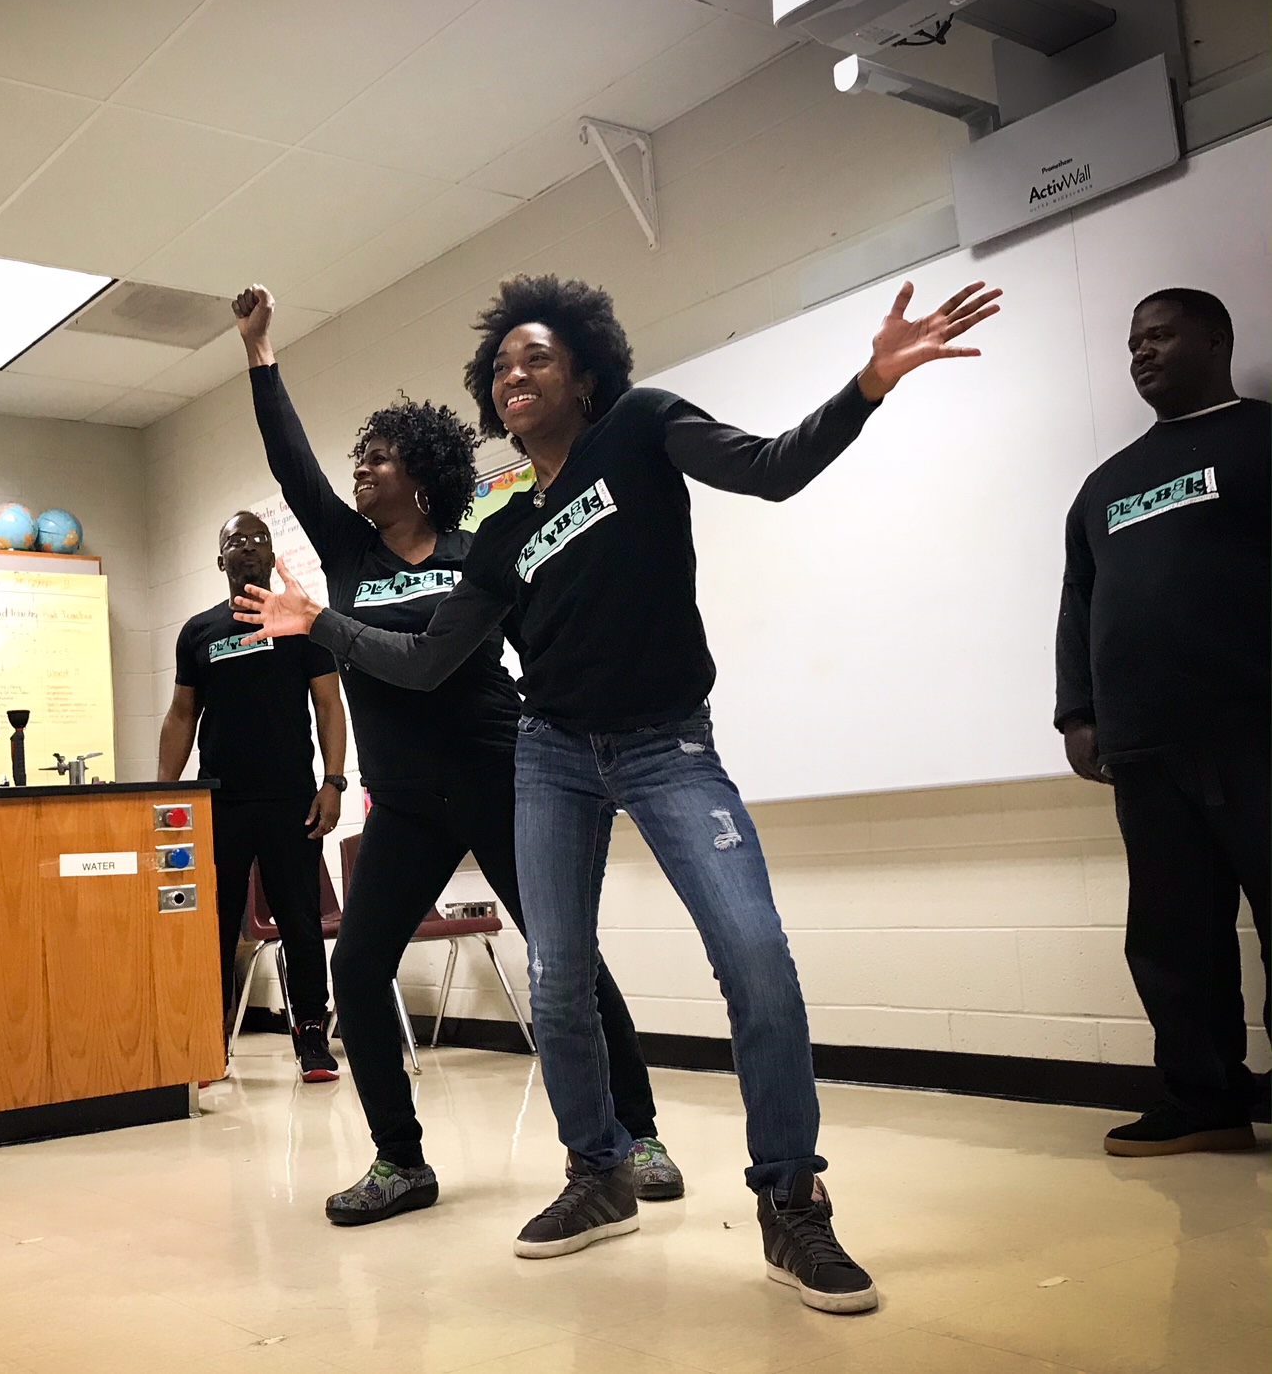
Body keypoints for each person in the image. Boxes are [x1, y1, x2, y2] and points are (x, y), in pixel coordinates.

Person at [234, 272, 999, 1312]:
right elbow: (419, 664)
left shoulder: (639, 429)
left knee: (757, 960)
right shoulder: (504, 534)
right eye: (500, 365)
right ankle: (595, 1174)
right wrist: (316, 620)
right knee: (556, 976)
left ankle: (788, 1199)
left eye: (536, 357)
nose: (514, 374)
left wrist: (867, 382)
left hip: (663, 745)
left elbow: (771, 469)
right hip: (547, 756)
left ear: (588, 372)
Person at [232, 283, 685, 1226]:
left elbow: (539, 638)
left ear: (425, 474)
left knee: (567, 963)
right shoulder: (349, 555)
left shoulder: (484, 549)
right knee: (357, 969)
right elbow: (292, 469)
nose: (363, 469)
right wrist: (259, 354)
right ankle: (401, 1162)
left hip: (505, 781)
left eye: (382, 457)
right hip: (403, 805)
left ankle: (636, 1133)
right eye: (361, 456)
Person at [1056, 287, 1272, 1156]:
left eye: (1161, 334)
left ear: (1216, 339)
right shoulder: (1105, 485)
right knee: (1173, 938)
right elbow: (1080, 602)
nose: (1141, 352)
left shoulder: (1262, 439)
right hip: (1146, 749)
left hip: (1258, 730)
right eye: (1133, 340)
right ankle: (1204, 1101)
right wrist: (1078, 712)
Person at [159, 510, 348, 1082]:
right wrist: (163, 798)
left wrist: (334, 782)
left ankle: (312, 1035)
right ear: (221, 560)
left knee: (299, 919)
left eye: (258, 539)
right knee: (213, 925)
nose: (248, 547)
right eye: (235, 541)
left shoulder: (300, 623)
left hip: (292, 799)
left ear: (271, 556)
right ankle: (207, 1038)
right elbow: (181, 714)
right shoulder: (199, 632)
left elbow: (329, 705)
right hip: (220, 801)